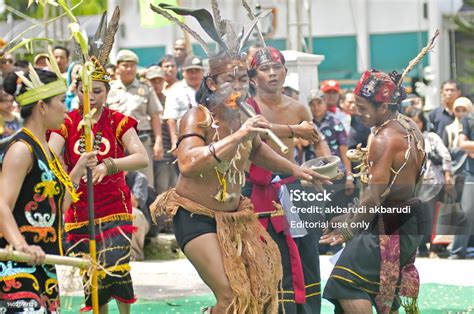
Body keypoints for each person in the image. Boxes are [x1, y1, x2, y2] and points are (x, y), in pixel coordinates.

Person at [149, 3, 331, 312]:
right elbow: (188, 163)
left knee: (259, 293)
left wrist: (297, 171)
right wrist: (239, 135)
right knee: (232, 296)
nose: (239, 86)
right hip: (196, 217)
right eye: (230, 80)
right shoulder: (198, 116)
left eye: (242, 80)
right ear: (211, 83)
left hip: (236, 218)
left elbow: (258, 150)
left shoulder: (244, 116)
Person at [49, 55, 148, 312]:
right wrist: (74, 171)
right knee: (93, 278)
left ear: (107, 91)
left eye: (97, 91)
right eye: (85, 91)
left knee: (117, 269)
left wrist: (109, 165)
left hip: (114, 206)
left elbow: (141, 158)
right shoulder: (66, 123)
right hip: (80, 209)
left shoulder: (118, 121)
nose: (90, 97)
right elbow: (48, 157)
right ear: (77, 91)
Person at [321, 69, 426, 313]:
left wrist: (348, 230)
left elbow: (375, 195)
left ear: (383, 107)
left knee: (346, 283)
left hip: (388, 226)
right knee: (376, 287)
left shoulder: (384, 138)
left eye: (362, 106)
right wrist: (348, 217)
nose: (358, 112)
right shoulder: (409, 125)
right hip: (406, 223)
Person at [0, 64, 96, 312]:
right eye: (62, 101)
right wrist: (21, 245)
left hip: (43, 262)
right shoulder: (22, 149)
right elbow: (1, 204)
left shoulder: (46, 151)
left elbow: (57, 205)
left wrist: (78, 170)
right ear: (42, 106)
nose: (67, 107)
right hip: (16, 263)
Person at [243, 46, 330, 313]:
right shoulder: (246, 109)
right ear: (252, 78)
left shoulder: (299, 108)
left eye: (276, 68)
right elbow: (258, 137)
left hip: (294, 187)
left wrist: (325, 167)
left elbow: (318, 143)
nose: (271, 74)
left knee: (306, 255)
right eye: (264, 69)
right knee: (263, 259)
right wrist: (293, 131)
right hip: (254, 191)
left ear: (285, 72)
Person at [108, 49, 163, 188]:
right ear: (118, 68)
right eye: (125, 65)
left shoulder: (145, 89)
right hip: (116, 144)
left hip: (141, 141)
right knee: (116, 182)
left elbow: (155, 115)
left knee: (146, 183)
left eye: (132, 65)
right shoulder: (108, 89)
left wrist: (158, 141)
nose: (129, 69)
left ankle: (146, 210)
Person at [406, 109, 454, 258]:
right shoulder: (404, 138)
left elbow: (445, 155)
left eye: (418, 121)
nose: (416, 124)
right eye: (412, 121)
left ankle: (434, 249)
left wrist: (447, 176)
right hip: (412, 184)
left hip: (432, 182)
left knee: (433, 218)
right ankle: (420, 248)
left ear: (423, 122)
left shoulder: (431, 137)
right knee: (414, 218)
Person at [145, 66, 178, 194]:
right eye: (153, 81)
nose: (157, 84)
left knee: (170, 186)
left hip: (168, 149)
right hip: (150, 146)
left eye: (160, 81)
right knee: (156, 188)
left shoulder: (169, 99)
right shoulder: (145, 100)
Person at [162, 55, 205, 152]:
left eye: (197, 71)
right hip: (185, 138)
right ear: (183, 72)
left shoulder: (210, 88)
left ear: (203, 72)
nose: (193, 75)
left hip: (207, 138)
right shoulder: (175, 90)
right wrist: (174, 142)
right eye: (190, 71)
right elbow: (170, 119)